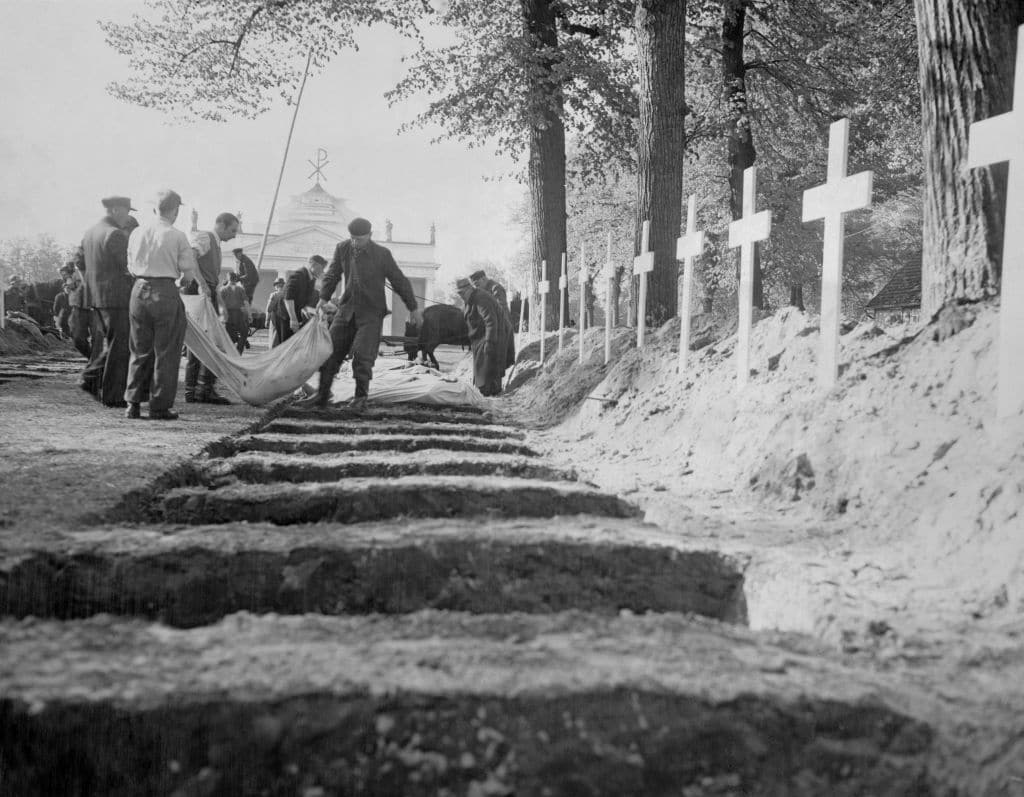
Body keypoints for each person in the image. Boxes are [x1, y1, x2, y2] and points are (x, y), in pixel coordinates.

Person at [307, 217, 422, 409]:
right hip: (346, 311)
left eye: (359, 239)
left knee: (362, 354)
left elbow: (399, 281)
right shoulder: (342, 248)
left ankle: (360, 398)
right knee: (329, 351)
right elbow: (333, 274)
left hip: (371, 313)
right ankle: (322, 395)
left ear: (370, 235)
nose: (355, 243)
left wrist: (413, 307)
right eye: (352, 238)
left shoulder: (382, 254)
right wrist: (323, 298)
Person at [123, 189, 196, 421]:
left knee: (139, 349)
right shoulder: (177, 235)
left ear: (155, 208)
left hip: (138, 289)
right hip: (165, 290)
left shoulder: (137, 232)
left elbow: (129, 263)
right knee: (166, 351)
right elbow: (188, 274)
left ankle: (132, 404)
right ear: (174, 211)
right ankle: (159, 406)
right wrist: (181, 284)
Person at [79, 196, 134, 407]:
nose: (128, 217)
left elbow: (79, 263)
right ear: (115, 210)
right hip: (117, 298)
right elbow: (128, 267)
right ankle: (112, 395)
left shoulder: (91, 232)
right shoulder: (115, 234)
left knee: (111, 345)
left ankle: (91, 378)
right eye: (127, 212)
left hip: (97, 299)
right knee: (119, 347)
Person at [182, 212, 240, 404]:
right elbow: (191, 256)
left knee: (208, 340)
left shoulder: (215, 245)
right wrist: (202, 284)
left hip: (207, 293)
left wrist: (218, 300)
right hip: (199, 293)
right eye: (232, 230)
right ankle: (196, 390)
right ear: (221, 225)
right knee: (202, 340)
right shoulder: (206, 237)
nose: (234, 235)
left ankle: (201, 389)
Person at [456, 276, 512, 397]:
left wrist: (489, 342)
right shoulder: (471, 298)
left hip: (493, 335)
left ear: (469, 289)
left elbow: (491, 321)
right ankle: (485, 392)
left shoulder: (481, 298)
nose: (460, 296)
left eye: (461, 293)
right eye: (459, 293)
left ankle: (490, 394)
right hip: (481, 337)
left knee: (488, 368)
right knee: (483, 369)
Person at [470, 268, 515, 371]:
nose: (476, 287)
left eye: (477, 284)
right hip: (493, 327)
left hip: (502, 327)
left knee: (499, 360)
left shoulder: (496, 288)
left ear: (483, 279)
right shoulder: (483, 290)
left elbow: (501, 309)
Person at [278, 254, 326, 343]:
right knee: (285, 343)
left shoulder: (311, 279)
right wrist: (293, 318)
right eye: (321, 268)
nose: (322, 271)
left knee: (293, 342)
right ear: (313, 265)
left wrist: (305, 309)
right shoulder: (299, 275)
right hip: (285, 314)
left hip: (294, 312)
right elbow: (288, 297)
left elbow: (305, 298)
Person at [219, 271, 250, 354]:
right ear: (236, 279)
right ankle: (238, 351)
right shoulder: (240, 289)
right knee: (244, 332)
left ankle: (229, 351)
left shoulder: (222, 289)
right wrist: (249, 314)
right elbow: (246, 303)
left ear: (227, 278)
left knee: (227, 335)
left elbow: (220, 304)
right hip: (238, 314)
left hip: (227, 314)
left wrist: (221, 316)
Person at [265, 276, 286, 347]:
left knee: (274, 337)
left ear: (276, 286)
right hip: (285, 319)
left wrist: (267, 320)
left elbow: (269, 308)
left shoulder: (273, 294)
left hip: (275, 318)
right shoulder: (287, 294)